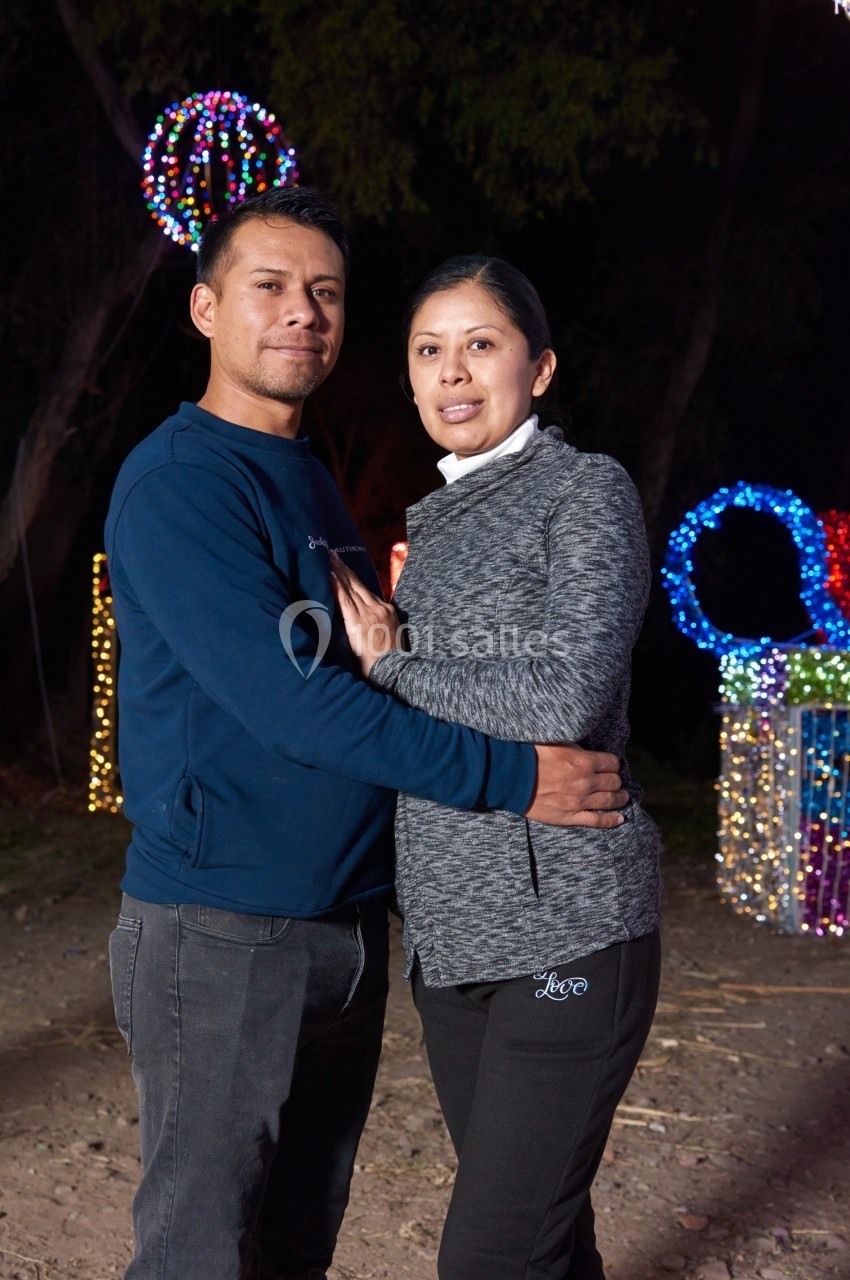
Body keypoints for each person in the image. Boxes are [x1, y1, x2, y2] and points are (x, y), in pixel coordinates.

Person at [104, 189, 630, 1280]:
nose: (303, 311)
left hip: (343, 930)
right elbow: (295, 701)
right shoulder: (178, 482)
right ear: (206, 308)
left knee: (297, 1238)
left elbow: (402, 671)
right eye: (270, 286)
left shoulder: (307, 478)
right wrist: (508, 778)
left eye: (326, 293)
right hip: (223, 927)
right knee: (202, 1247)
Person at [330, 254, 663, 1280]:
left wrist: (392, 661)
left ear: (541, 367)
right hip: (451, 942)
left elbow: (563, 697)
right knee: (545, 1242)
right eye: (430, 349)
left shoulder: (583, 491)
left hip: (564, 927)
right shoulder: (430, 527)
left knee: (488, 1256)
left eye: (482, 344)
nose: (454, 372)